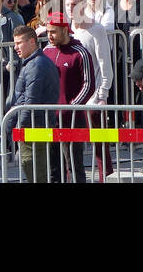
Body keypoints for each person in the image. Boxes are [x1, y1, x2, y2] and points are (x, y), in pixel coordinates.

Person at [43, 11, 96, 182]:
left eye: (53, 31)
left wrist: (71, 106)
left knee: (74, 166)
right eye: (47, 31)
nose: (49, 36)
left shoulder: (80, 52)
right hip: (50, 119)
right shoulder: (46, 51)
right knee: (53, 168)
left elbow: (89, 85)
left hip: (72, 119)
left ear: (65, 30)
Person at [9, 24, 60, 183]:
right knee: (36, 170)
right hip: (37, 125)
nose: (16, 47)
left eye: (19, 43)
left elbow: (29, 102)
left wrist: (20, 128)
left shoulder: (35, 65)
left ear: (32, 42)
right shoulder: (35, 63)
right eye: (15, 43)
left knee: (33, 169)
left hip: (34, 128)